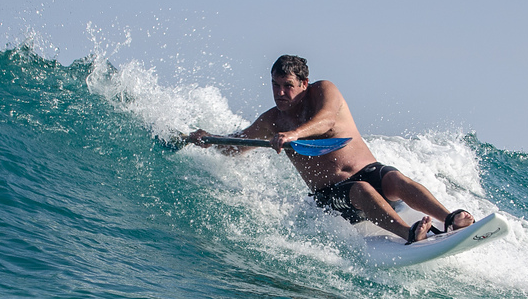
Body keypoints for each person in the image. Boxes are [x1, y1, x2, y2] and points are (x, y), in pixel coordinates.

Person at [188, 55, 474, 244]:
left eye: (288, 86)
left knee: (395, 179)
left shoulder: (324, 91)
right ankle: (408, 234)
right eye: (275, 85)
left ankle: (449, 218)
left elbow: (326, 120)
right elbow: (238, 145)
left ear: (304, 84)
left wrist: (292, 135)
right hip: (331, 197)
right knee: (360, 189)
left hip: (368, 172)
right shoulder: (272, 120)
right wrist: (210, 140)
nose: (280, 93)